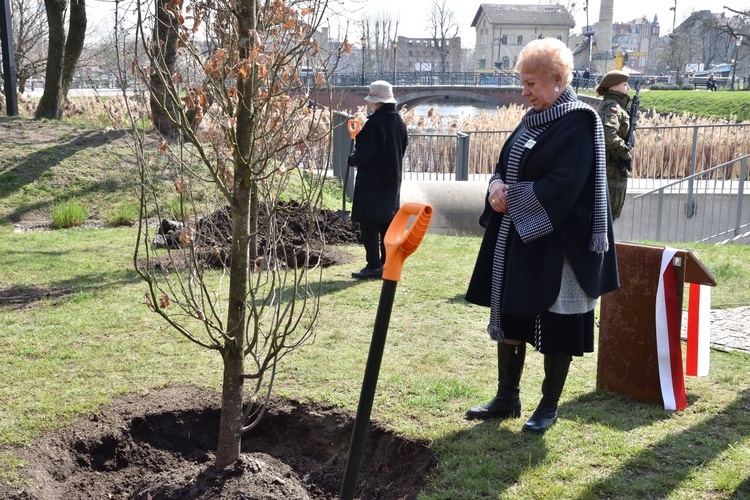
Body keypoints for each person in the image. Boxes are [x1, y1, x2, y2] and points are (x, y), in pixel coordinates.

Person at [464, 38, 619, 433]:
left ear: (558, 80)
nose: (524, 91)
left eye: (531, 83)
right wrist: (496, 185)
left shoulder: (579, 121)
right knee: (512, 311)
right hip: (522, 235)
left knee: (558, 321)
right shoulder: (532, 118)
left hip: (562, 240)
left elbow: (566, 183)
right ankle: (506, 397)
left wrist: (511, 196)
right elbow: (506, 162)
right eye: (522, 82)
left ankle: (548, 405)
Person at [347, 80, 408, 279]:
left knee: (369, 223)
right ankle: (386, 263)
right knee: (386, 224)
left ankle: (373, 265)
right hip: (391, 182)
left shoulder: (375, 123)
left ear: (377, 102)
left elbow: (364, 156)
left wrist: (353, 158)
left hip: (372, 183)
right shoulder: (399, 122)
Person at [596, 70, 632, 221]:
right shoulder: (613, 107)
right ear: (614, 87)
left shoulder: (616, 106)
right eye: (625, 84)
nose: (628, 88)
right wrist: (626, 153)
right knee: (608, 216)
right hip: (612, 169)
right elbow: (608, 135)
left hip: (613, 169)